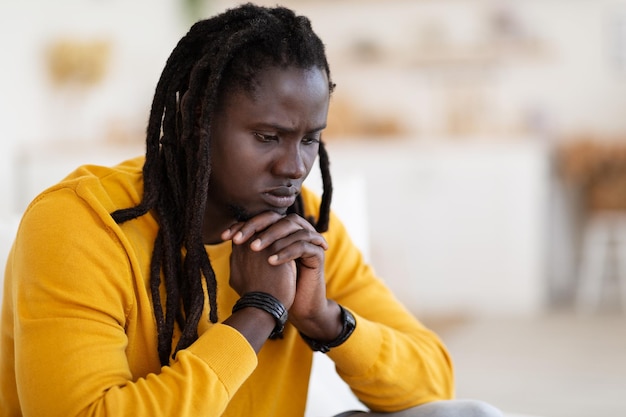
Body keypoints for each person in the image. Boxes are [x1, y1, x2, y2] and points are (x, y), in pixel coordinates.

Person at [0, 3, 503, 417]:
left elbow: (434, 380)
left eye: (311, 139)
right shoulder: (81, 225)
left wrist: (325, 319)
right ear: (197, 118)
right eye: (267, 137)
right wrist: (259, 313)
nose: (295, 166)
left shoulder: (301, 226)